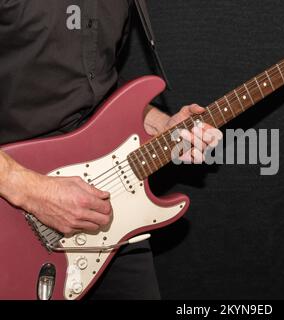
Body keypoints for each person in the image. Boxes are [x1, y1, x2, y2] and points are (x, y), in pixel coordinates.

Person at [0, 0, 222, 299]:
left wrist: (161, 125)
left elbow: (96, 84)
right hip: (12, 215)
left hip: (106, 208)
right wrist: (31, 190)